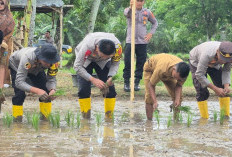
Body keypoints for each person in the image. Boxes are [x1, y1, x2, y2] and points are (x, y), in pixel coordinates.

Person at [73, 32, 122, 119]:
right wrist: (92, 79)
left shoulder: (117, 47)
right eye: (104, 56)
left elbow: (115, 64)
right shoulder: (87, 46)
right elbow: (77, 66)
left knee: (109, 89)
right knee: (84, 90)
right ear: (97, 48)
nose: (106, 58)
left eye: (108, 57)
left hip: (102, 63)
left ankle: (109, 118)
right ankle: (86, 119)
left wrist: (111, 76)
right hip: (86, 60)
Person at [9, 44, 60, 122]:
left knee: (46, 91)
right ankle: (17, 120)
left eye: (51, 62)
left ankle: (45, 119)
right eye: (46, 61)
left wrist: (52, 89)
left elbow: (51, 78)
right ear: (40, 57)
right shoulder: (28, 58)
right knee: (20, 94)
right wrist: (37, 91)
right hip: (17, 65)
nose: (49, 64)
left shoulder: (54, 63)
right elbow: (19, 82)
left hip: (37, 69)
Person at [189, 41, 232, 119]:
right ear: (217, 52)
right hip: (197, 62)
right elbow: (199, 74)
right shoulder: (206, 54)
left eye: (226, 60)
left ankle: (225, 117)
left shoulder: (229, 54)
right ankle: (204, 118)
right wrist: (215, 89)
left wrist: (226, 86)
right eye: (222, 59)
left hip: (215, 64)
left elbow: (227, 70)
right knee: (201, 91)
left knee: (222, 87)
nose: (224, 62)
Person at [123, 0, 158, 92]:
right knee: (127, 62)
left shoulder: (147, 12)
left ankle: (136, 83)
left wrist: (151, 33)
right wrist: (131, 7)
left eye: (141, 1)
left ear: (143, 2)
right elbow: (126, 14)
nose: (139, 3)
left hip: (142, 42)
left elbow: (155, 23)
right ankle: (126, 83)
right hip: (130, 41)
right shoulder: (128, 10)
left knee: (141, 63)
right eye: (137, 1)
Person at [143, 53, 190, 120]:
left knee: (179, 98)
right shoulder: (161, 69)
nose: (177, 80)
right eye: (176, 77)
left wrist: (176, 99)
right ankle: (149, 123)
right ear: (174, 69)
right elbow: (151, 85)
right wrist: (155, 101)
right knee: (149, 96)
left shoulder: (183, 74)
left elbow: (179, 85)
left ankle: (176, 121)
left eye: (179, 79)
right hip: (151, 68)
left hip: (168, 73)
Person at [0, 0, 15, 100]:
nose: (0, 5)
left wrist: (3, 40)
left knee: (3, 64)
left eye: (2, 3)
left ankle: (2, 84)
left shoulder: (9, 16)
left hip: (5, 43)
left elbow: (11, 30)